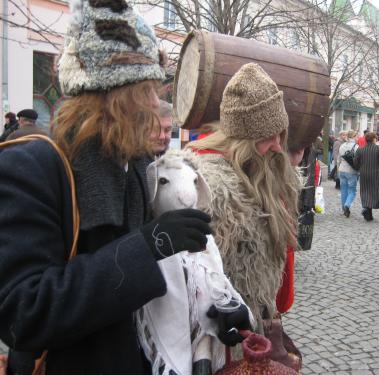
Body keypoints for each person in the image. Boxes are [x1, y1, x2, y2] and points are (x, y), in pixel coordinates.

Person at [0, 1, 247, 373]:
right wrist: (147, 247)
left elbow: (170, 278)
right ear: (110, 95)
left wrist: (215, 310)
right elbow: (24, 313)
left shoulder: (138, 164)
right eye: (147, 90)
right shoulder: (32, 168)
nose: (155, 104)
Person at [187, 63, 300, 335]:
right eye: (267, 137)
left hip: (258, 323)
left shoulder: (260, 170)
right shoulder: (210, 186)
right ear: (243, 139)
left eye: (280, 135)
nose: (276, 145)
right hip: (221, 336)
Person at [354, 131, 379, 221]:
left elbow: (355, 163)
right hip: (376, 175)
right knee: (374, 192)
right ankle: (367, 211)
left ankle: (367, 211)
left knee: (365, 192)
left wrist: (359, 168)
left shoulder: (360, 149)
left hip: (364, 174)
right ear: (374, 139)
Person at [338, 130, 359, 218]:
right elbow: (358, 160)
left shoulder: (342, 145)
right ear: (353, 137)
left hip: (342, 170)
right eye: (356, 136)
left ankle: (343, 208)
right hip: (351, 171)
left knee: (343, 190)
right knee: (352, 191)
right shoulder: (356, 147)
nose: (357, 138)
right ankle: (347, 205)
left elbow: (338, 159)